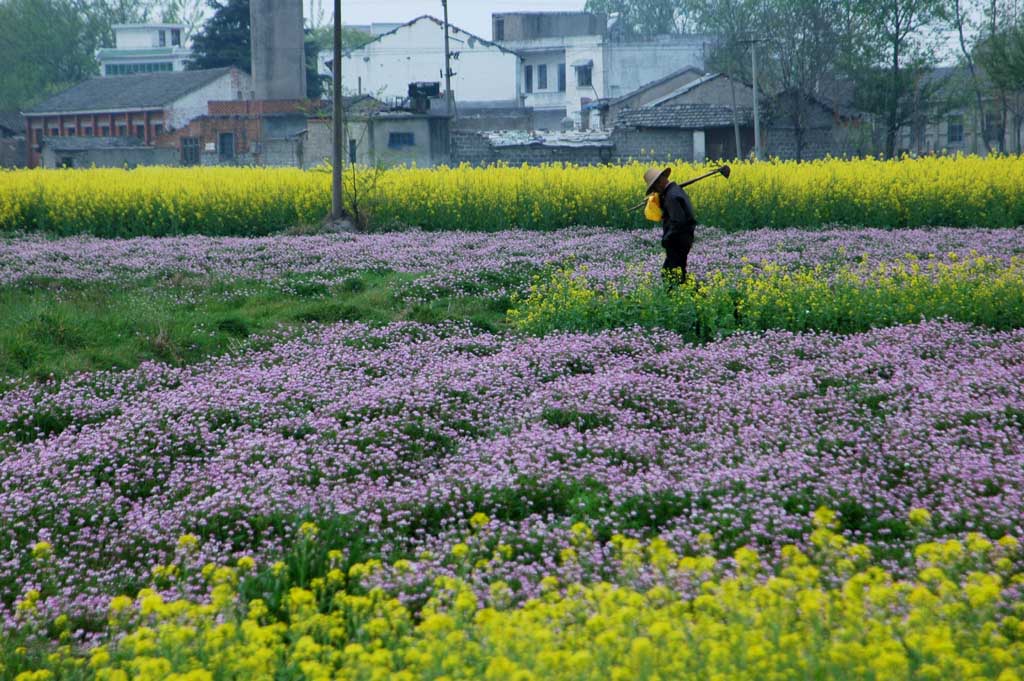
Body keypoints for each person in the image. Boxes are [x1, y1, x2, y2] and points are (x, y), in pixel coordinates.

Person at [643, 167, 697, 284]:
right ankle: (691, 295)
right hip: (683, 239)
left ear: (660, 182)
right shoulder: (674, 192)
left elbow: (678, 221)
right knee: (675, 273)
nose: (655, 191)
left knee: (671, 274)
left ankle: (693, 295)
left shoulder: (671, 196)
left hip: (678, 241)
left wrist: (667, 238)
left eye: (654, 188)